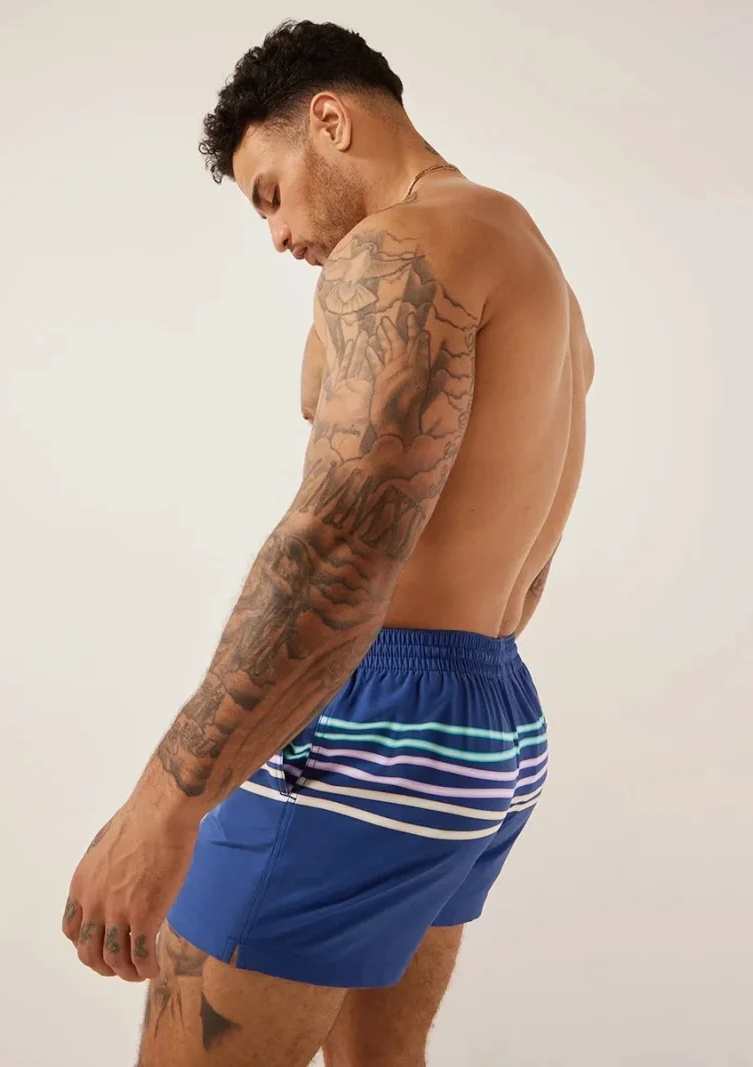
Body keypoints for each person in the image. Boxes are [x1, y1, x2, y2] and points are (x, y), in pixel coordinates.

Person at [62, 18, 594, 1067]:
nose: (275, 235)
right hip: (488, 727)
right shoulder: (531, 259)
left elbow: (340, 540)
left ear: (330, 121)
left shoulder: (400, 247)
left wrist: (164, 805)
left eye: (270, 192)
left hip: (369, 725)